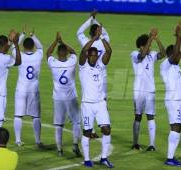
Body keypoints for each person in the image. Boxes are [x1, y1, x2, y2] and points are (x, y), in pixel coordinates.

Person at [79, 26, 113, 168]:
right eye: (91, 55)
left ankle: (104, 158)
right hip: (87, 104)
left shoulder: (100, 66)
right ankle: (87, 159)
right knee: (87, 132)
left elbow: (109, 51)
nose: (93, 57)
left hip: (100, 103)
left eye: (95, 55)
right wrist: (93, 38)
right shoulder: (82, 66)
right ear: (88, 56)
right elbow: (82, 51)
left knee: (107, 129)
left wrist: (102, 37)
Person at [130, 28, 166, 151]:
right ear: (141, 46)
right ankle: (135, 143)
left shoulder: (153, 55)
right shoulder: (134, 54)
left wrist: (157, 39)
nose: (150, 46)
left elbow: (164, 53)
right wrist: (150, 38)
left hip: (150, 90)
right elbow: (142, 55)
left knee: (150, 116)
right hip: (138, 91)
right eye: (147, 44)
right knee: (138, 116)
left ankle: (152, 144)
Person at [77, 10, 110, 139]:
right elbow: (105, 33)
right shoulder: (104, 40)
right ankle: (100, 125)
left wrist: (91, 18)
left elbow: (79, 31)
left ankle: (91, 129)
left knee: (90, 98)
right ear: (98, 32)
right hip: (102, 74)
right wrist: (97, 24)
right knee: (102, 100)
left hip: (87, 74)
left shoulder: (86, 41)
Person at [47, 32, 81, 157]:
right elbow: (74, 53)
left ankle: (60, 150)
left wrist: (56, 41)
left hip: (58, 98)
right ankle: (75, 145)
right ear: (66, 53)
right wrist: (63, 42)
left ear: (57, 53)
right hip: (71, 98)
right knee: (76, 122)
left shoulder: (53, 63)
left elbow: (48, 53)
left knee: (59, 124)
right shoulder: (72, 62)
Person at [160, 23, 181, 166]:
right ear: (171, 55)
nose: (179, 56)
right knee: (175, 126)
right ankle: (169, 158)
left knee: (179, 127)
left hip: (180, 100)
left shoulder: (176, 65)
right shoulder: (165, 65)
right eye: (176, 54)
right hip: (173, 100)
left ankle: (172, 157)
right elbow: (178, 52)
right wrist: (177, 37)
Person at [12, 26, 43, 147]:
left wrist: (22, 34)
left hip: (21, 89)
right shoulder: (38, 55)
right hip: (34, 90)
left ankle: (18, 140)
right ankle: (37, 141)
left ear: (24, 47)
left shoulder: (19, 55)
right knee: (36, 116)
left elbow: (14, 47)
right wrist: (32, 36)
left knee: (18, 115)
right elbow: (40, 47)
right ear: (33, 46)